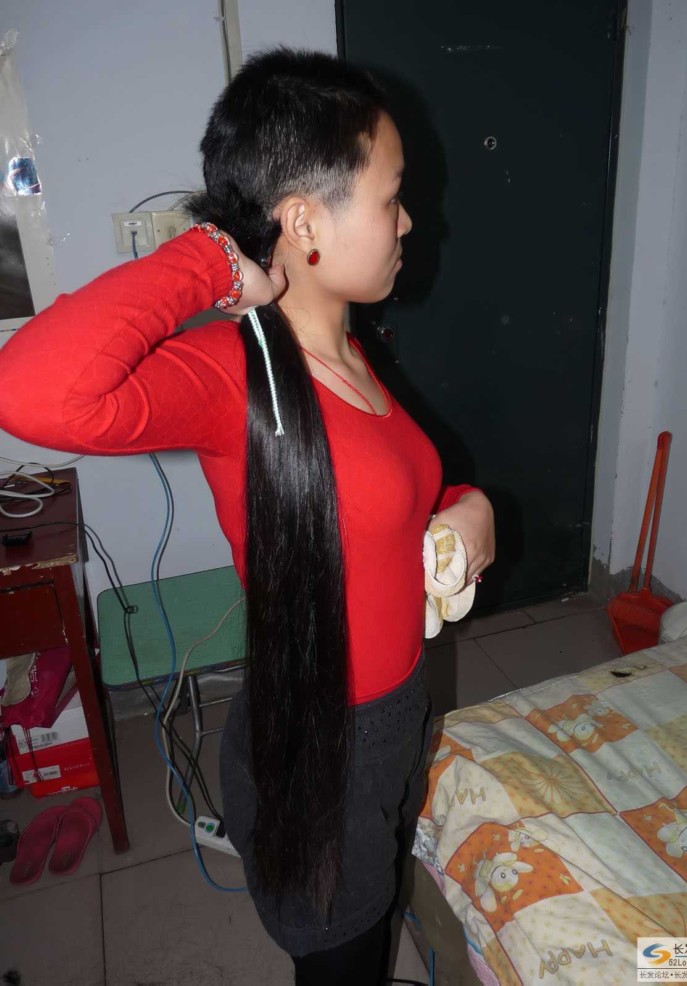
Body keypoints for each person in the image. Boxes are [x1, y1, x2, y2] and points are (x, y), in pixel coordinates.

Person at [0, 47, 495, 984]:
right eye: (392, 197)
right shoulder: (235, 375)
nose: (408, 220)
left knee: (373, 908)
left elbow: (387, 502)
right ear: (303, 222)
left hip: (392, 713)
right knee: (343, 948)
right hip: (322, 743)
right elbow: (28, 389)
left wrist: (468, 509)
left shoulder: (357, 357)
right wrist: (214, 257)